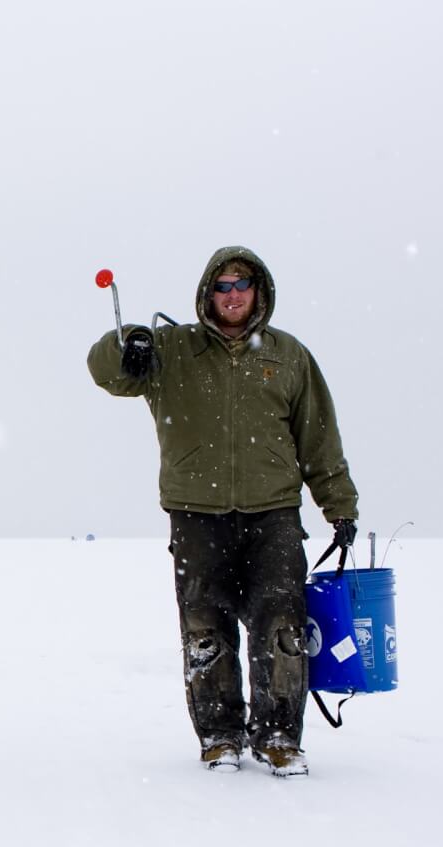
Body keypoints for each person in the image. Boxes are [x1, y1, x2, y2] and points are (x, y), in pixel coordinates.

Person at [87, 246, 359, 777]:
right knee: (205, 630)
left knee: (281, 627)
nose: (232, 295)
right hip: (196, 513)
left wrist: (339, 506)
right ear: (208, 293)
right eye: (223, 286)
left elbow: (319, 439)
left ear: (259, 292)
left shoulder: (288, 355)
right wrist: (131, 341)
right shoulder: (173, 349)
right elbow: (105, 370)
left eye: (242, 285)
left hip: (274, 514)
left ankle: (279, 736)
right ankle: (219, 736)